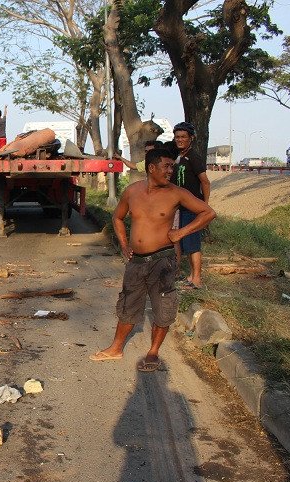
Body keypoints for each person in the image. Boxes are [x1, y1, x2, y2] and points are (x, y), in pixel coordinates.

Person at [89, 148, 216, 371]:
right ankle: (116, 348)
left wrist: (181, 233)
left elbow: (208, 212)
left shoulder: (177, 193)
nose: (171, 170)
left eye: (172, 166)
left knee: (163, 308)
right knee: (128, 304)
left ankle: (153, 351)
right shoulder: (132, 191)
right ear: (151, 168)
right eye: (166, 166)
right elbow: (118, 218)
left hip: (163, 260)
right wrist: (125, 245)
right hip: (136, 261)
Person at [170, 122, 211, 289]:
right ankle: (191, 277)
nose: (179, 139)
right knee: (185, 242)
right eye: (177, 136)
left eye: (183, 137)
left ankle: (197, 280)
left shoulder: (193, 157)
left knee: (193, 244)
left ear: (191, 138)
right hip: (180, 207)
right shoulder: (178, 156)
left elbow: (205, 182)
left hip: (192, 207)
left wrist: (203, 206)